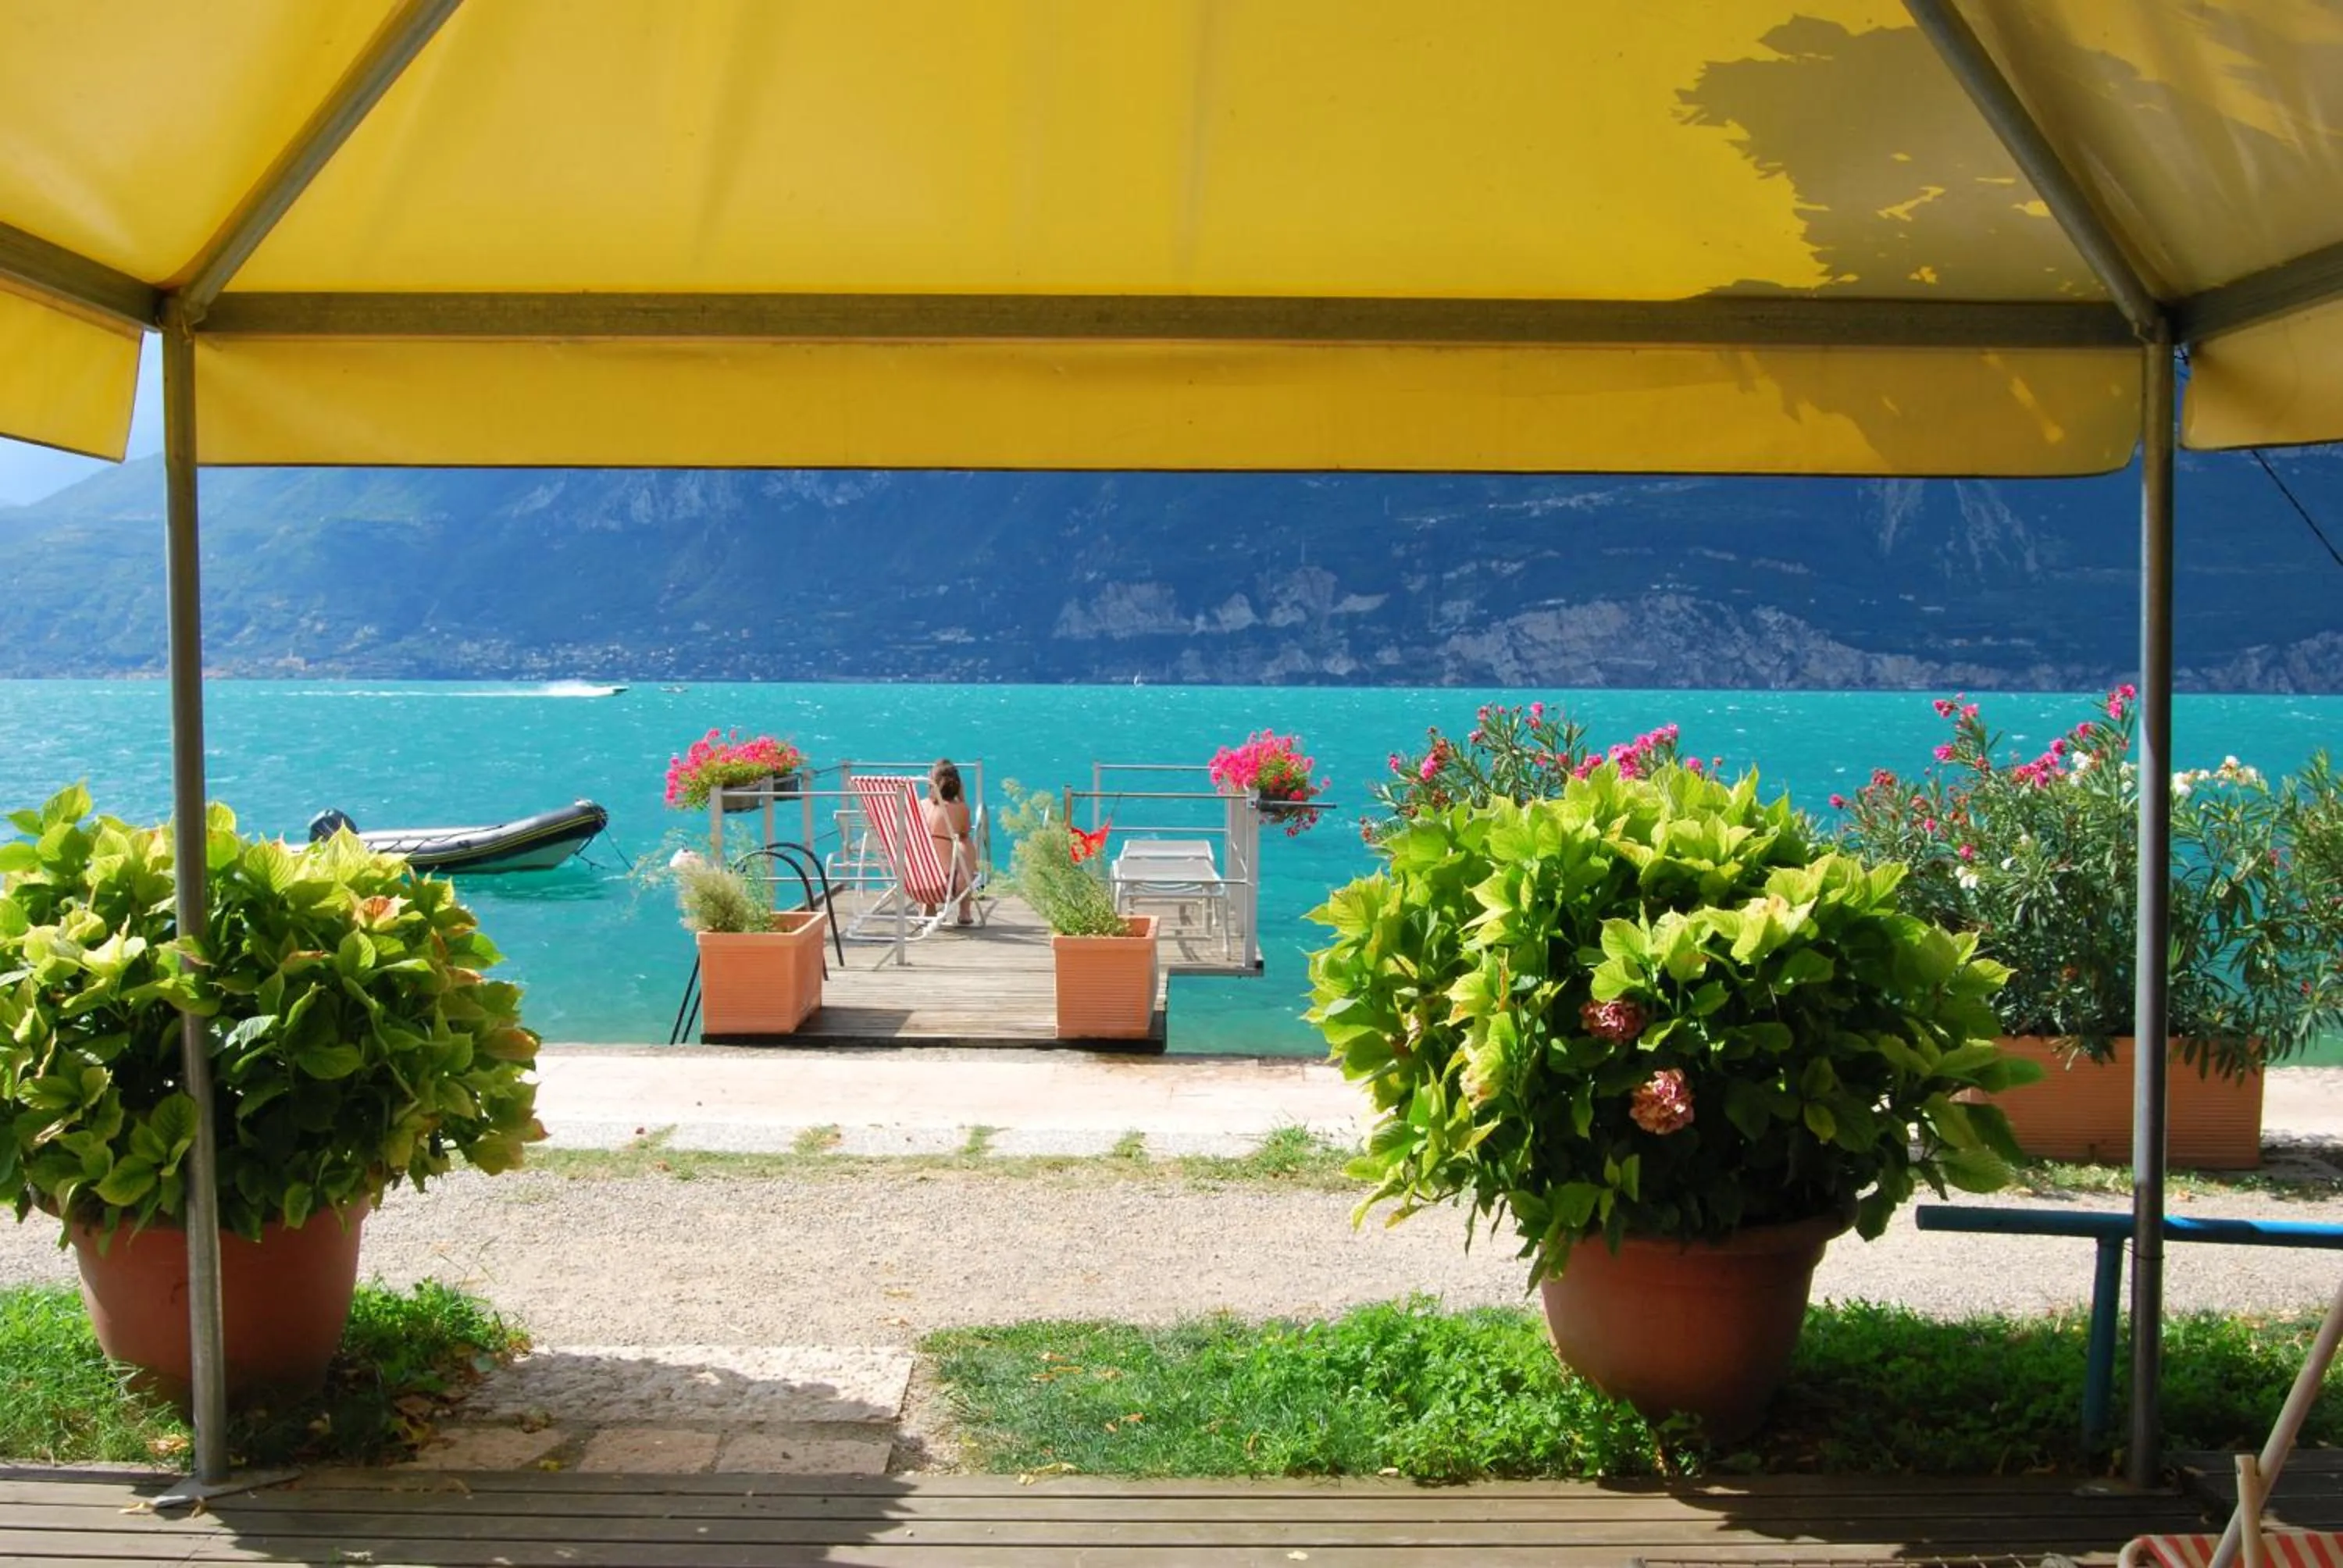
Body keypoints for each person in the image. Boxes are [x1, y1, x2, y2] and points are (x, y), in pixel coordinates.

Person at [922, 757, 978, 925]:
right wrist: (962, 800)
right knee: (965, 845)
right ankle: (965, 911)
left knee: (928, 850)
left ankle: (929, 908)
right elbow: (965, 832)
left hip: (916, 881)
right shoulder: (960, 809)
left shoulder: (919, 805)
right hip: (947, 884)